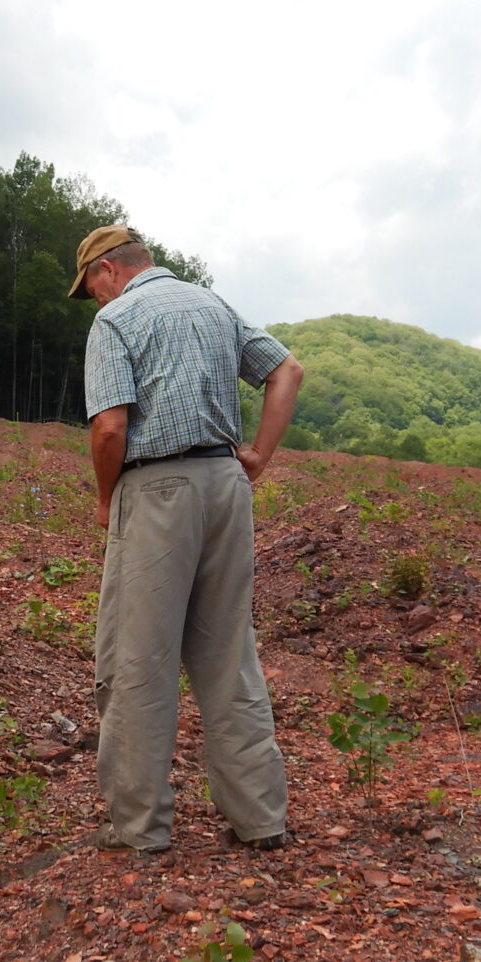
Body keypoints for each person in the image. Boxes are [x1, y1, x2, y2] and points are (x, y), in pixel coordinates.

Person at [71, 224, 304, 853]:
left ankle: (140, 829)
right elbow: (287, 371)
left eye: (89, 286)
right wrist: (258, 456)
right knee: (229, 652)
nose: (93, 300)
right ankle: (261, 819)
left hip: (156, 489)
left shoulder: (116, 319)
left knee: (138, 660)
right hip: (227, 485)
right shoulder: (212, 304)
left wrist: (103, 496)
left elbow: (110, 428)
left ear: (108, 272)